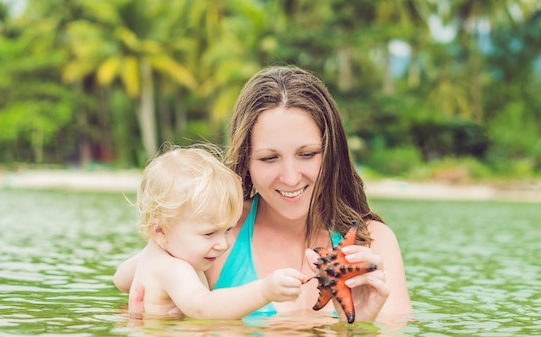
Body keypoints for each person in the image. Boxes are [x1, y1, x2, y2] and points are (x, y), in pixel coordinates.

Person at [114, 66, 412, 322]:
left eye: (307, 154)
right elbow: (139, 284)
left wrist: (359, 328)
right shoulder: (218, 234)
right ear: (246, 160)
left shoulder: (372, 243)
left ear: (332, 153)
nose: (292, 177)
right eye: (269, 158)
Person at [125, 144, 307, 319]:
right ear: (160, 231)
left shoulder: (151, 255)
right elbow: (203, 307)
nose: (223, 244)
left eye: (228, 229)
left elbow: (120, 279)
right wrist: (264, 291)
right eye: (209, 234)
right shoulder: (174, 269)